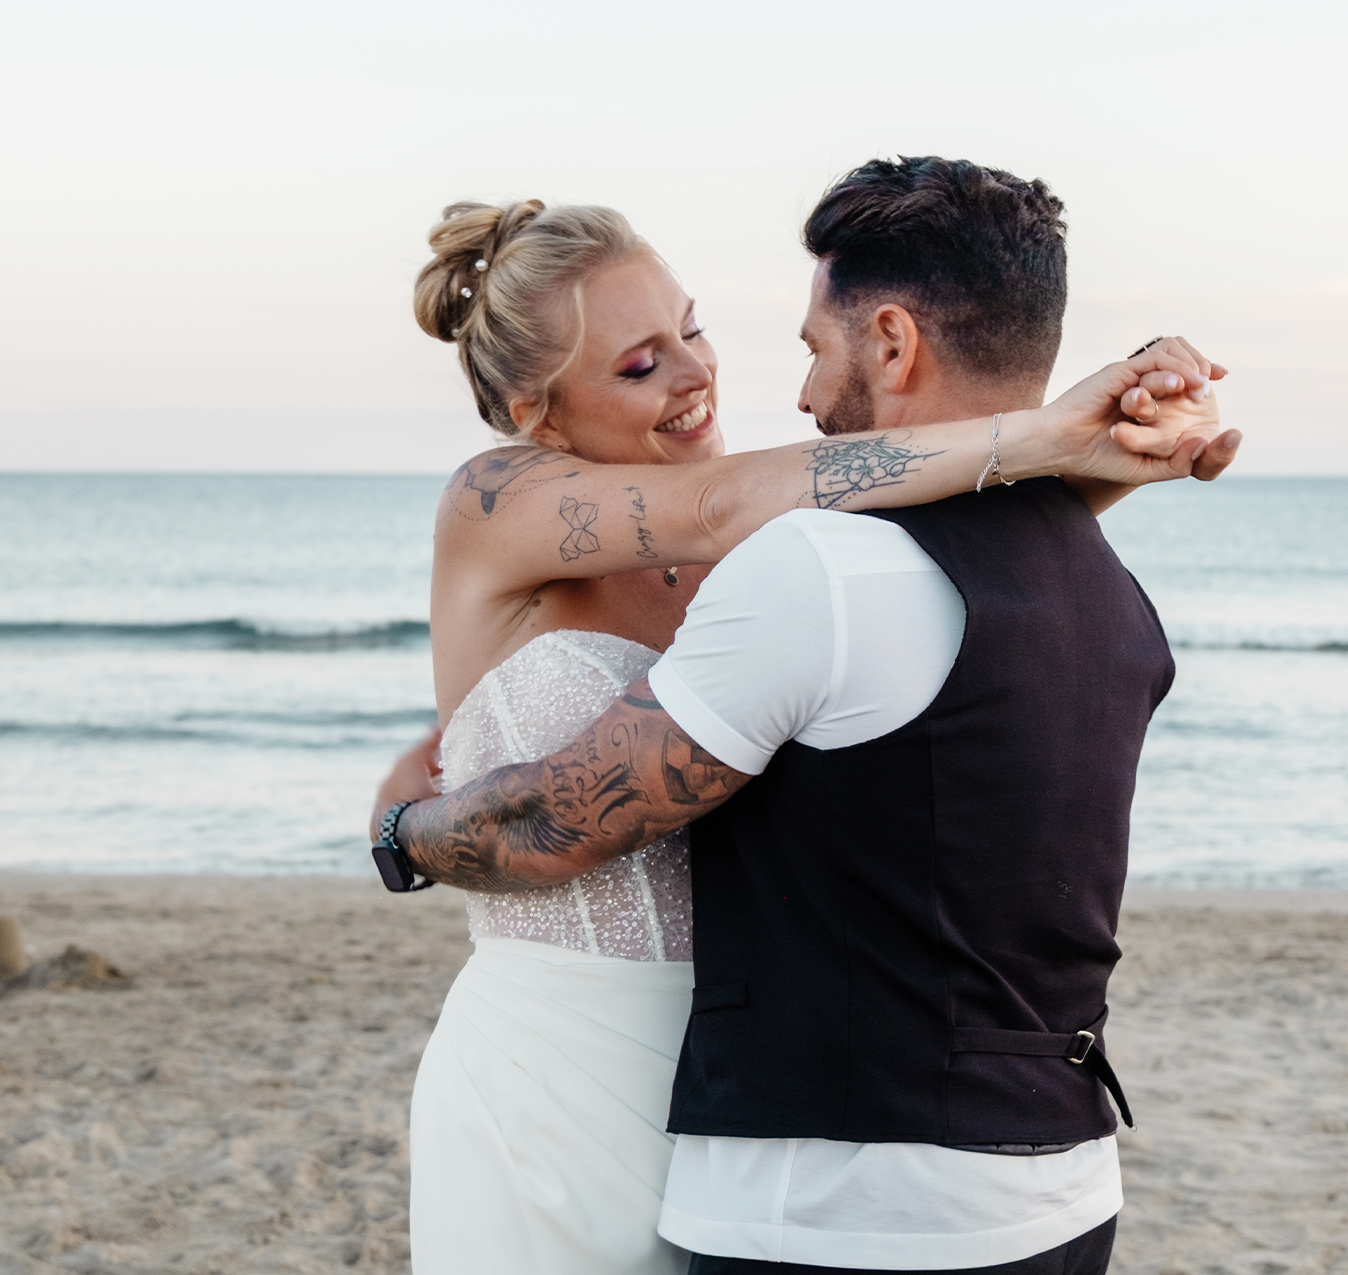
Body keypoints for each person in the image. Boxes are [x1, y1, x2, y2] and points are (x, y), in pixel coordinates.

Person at [377, 171, 1236, 1275]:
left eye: (691, 333)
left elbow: (924, 587)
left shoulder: (777, 541)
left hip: (738, 1066)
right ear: (536, 415)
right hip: (557, 1058)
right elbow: (744, 505)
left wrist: (1111, 462)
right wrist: (1048, 430)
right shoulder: (496, 500)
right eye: (640, 364)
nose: (695, 378)